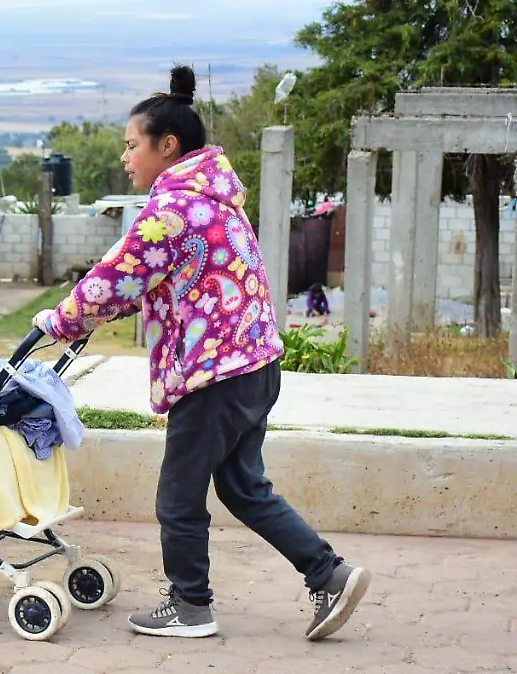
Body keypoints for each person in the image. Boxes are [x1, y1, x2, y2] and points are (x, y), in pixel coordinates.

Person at [30, 65, 371, 642]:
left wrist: (59, 320)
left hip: (214, 375)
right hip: (256, 366)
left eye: (130, 144)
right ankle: (329, 574)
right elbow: (176, 282)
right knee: (242, 486)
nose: (124, 156)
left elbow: (115, 280)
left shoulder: (171, 212)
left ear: (168, 146)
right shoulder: (216, 201)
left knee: (178, 497)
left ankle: (191, 604)